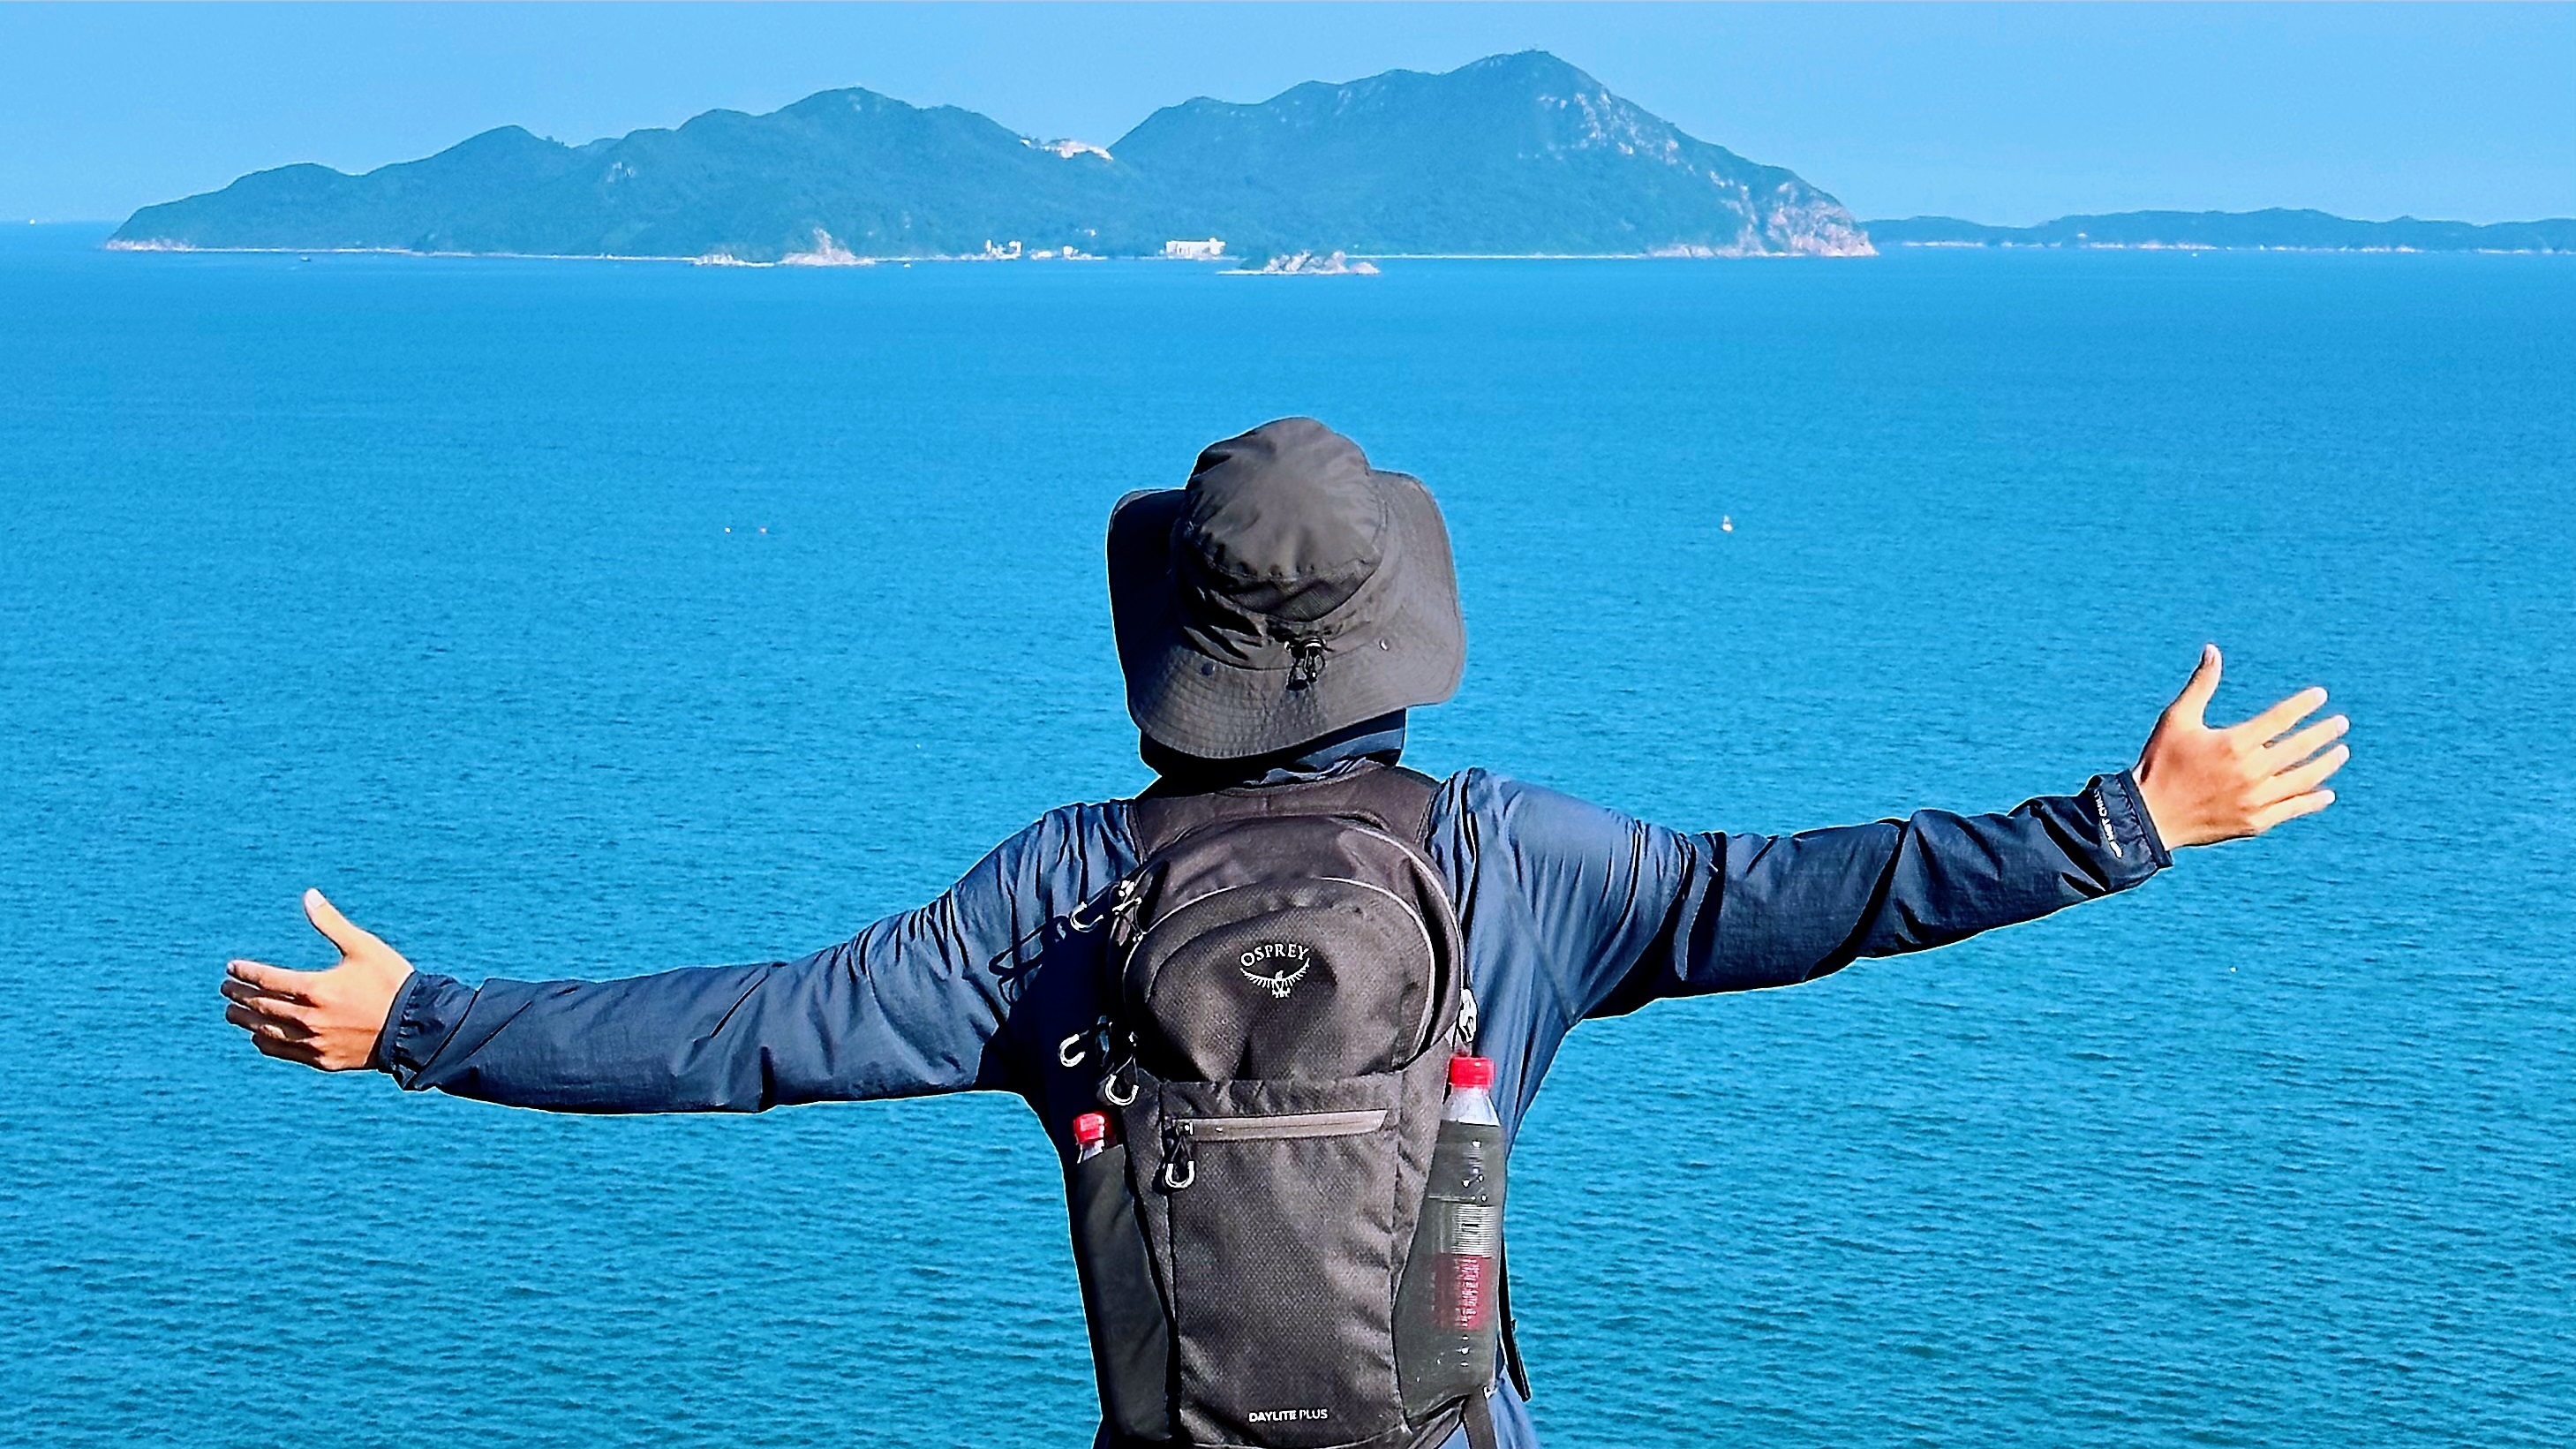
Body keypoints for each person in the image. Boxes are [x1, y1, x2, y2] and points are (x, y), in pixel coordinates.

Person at [221, 418, 2347, 1448]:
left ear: (1173, 646)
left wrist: (422, 1017)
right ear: (1396, 633)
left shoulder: (1055, 899)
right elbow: (1816, 892)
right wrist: (2129, 818)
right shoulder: (1517, 864)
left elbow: (749, 1030)